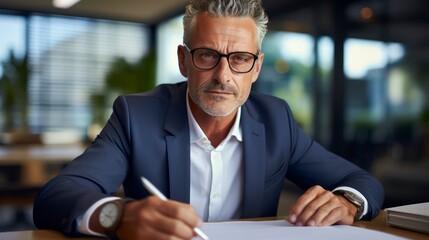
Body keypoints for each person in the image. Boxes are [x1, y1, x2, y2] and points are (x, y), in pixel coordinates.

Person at [33, 0, 384, 239]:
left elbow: (361, 181)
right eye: (207, 55)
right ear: (184, 60)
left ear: (256, 67)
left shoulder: (277, 120)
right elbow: (56, 196)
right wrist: (118, 217)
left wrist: (347, 201)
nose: (223, 75)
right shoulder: (135, 116)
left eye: (240, 59)